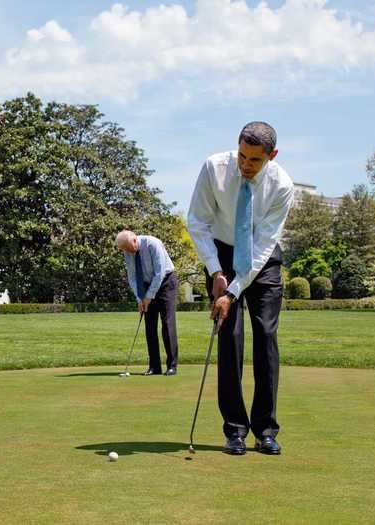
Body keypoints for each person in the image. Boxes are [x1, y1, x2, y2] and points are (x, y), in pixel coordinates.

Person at [187, 122, 294, 456]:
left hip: (262, 259)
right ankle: (234, 430)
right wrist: (215, 269)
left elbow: (263, 247)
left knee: (265, 336)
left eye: (255, 161)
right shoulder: (214, 168)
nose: (245, 165)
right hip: (220, 251)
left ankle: (265, 430)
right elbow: (197, 222)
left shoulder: (282, 185)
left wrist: (233, 291)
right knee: (229, 338)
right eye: (242, 156)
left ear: (271, 156)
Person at [116, 230, 179, 376]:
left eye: (127, 248)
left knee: (167, 323)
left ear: (134, 240)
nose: (127, 252)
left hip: (165, 283)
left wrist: (149, 296)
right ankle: (154, 367)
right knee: (150, 326)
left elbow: (160, 273)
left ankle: (172, 366)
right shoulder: (127, 250)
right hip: (145, 285)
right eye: (124, 250)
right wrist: (140, 299)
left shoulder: (153, 244)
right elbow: (132, 277)